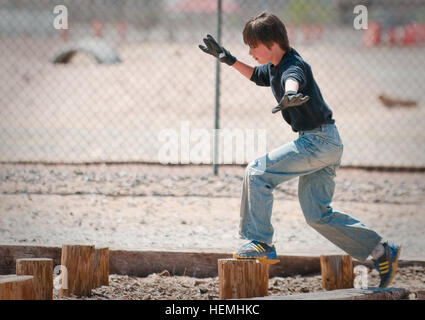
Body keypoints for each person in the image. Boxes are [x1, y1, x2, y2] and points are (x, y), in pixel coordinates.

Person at [199, 11, 401, 288]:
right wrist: (229, 59)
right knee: (318, 215)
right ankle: (380, 250)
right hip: (328, 143)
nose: (249, 51)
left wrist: (291, 93)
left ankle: (259, 241)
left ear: (271, 43)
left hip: (316, 142)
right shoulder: (274, 65)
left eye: (252, 45)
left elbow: (292, 79)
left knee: (257, 173)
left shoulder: (293, 66)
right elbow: (258, 76)